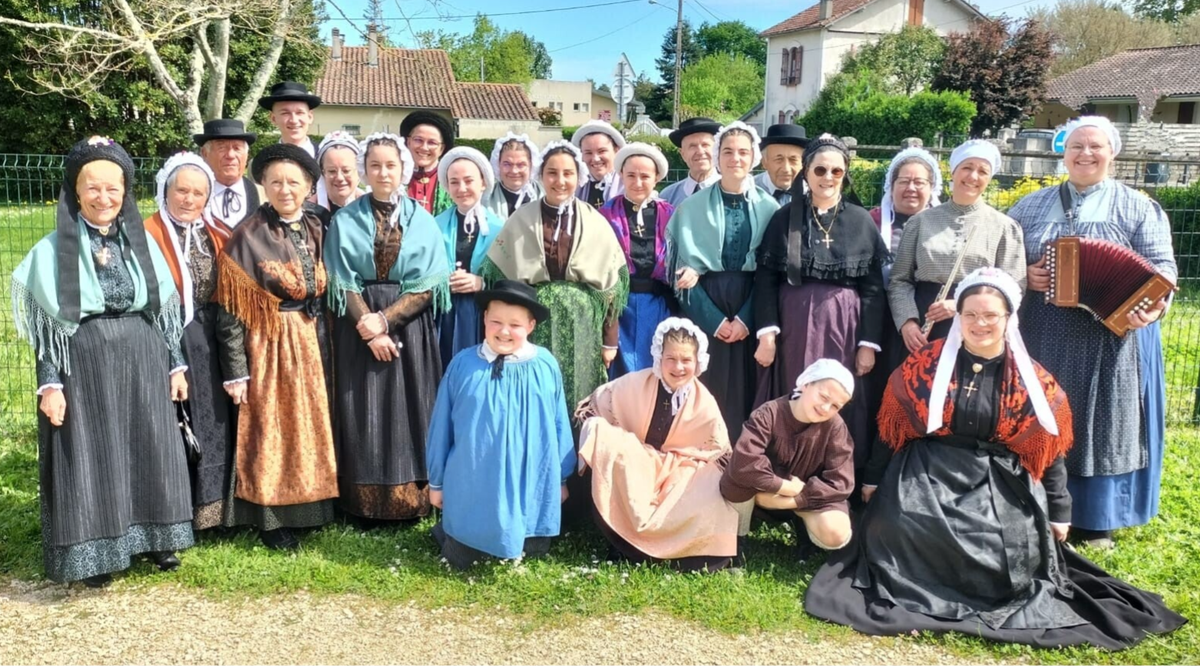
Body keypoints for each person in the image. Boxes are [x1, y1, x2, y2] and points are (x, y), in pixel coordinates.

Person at [806, 267, 1187, 651]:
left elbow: (1047, 449)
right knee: (898, 524)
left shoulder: (1033, 380)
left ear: (1009, 319)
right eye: (970, 314)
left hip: (997, 479)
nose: (979, 323)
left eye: (991, 315)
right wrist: (872, 480)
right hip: (926, 472)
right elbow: (893, 430)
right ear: (959, 317)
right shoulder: (924, 364)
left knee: (1006, 544)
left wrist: (1059, 511)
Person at [11, 136, 193, 586]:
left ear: (126, 192)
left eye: (114, 188)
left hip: (143, 358)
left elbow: (164, 312)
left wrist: (176, 366)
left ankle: (156, 540)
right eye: (93, 187)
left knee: (150, 446)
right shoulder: (52, 250)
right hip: (85, 365)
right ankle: (95, 554)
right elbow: (48, 333)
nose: (104, 197)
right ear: (76, 191)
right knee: (92, 453)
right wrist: (50, 387)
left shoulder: (143, 245)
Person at [1009, 116, 1178, 549]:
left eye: (1095, 147)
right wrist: (1023, 275)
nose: (1085, 154)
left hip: (1112, 336)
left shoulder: (1139, 207)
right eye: (1076, 147)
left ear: (1112, 153)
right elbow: (1002, 257)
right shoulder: (1028, 207)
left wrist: (1151, 308)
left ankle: (1098, 518)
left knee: (1103, 419)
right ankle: (1039, 503)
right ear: (1062, 154)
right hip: (1043, 331)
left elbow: (1163, 269)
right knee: (1045, 413)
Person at [214, 143, 337, 550]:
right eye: (275, 182)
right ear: (263, 185)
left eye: (294, 182)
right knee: (272, 427)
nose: (285, 190)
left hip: (311, 338)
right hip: (270, 341)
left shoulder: (320, 226)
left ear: (308, 186)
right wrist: (236, 370)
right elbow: (229, 311)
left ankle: (310, 508)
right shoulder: (248, 236)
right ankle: (270, 518)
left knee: (309, 424)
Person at [324, 132, 450, 522]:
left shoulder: (423, 220)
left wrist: (386, 321)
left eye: (390, 165)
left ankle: (411, 500)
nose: (382, 172)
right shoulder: (345, 219)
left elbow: (430, 282)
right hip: (357, 328)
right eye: (375, 165)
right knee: (362, 408)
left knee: (410, 409)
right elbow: (339, 279)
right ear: (365, 169)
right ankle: (360, 503)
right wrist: (370, 328)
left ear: (403, 169)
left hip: (408, 330)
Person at [752, 134, 887, 461]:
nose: (828, 178)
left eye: (836, 172)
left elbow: (872, 287)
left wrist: (868, 343)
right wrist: (767, 334)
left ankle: (834, 473)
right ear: (807, 173)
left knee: (837, 395)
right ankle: (787, 468)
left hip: (845, 326)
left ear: (845, 174)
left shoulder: (860, 220)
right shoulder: (785, 219)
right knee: (797, 389)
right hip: (795, 323)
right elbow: (766, 279)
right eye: (820, 170)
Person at [426, 280, 575, 569]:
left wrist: (561, 478)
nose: (504, 331)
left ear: (531, 326)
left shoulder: (545, 366)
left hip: (530, 484)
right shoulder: (463, 365)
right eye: (496, 321)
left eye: (515, 325)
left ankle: (522, 538)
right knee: (464, 556)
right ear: (484, 319)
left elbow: (559, 424)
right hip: (474, 485)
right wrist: (437, 483)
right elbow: (441, 428)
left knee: (530, 549)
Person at [576, 318, 739, 570]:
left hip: (677, 470)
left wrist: (688, 467)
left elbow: (718, 451)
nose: (678, 367)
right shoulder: (635, 382)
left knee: (708, 479)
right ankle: (622, 542)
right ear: (659, 357)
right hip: (637, 461)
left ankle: (689, 550)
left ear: (698, 362)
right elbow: (593, 409)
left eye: (686, 360)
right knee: (608, 440)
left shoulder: (703, 400)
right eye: (671, 359)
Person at [480, 140, 629, 411]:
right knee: (534, 394)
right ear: (541, 175)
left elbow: (612, 290)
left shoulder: (596, 222)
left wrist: (610, 341)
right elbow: (497, 277)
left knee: (579, 394)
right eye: (552, 173)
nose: (560, 181)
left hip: (583, 325)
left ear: (578, 176)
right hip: (535, 322)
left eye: (567, 173)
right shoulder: (521, 220)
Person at [144, 152, 242, 531]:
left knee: (213, 422)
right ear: (165, 192)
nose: (189, 199)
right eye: (181, 191)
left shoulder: (217, 235)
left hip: (209, 339)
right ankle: (175, 512)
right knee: (173, 422)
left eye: (198, 193)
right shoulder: (146, 234)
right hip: (162, 337)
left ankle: (214, 512)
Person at [668, 121, 780, 438]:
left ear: (754, 157)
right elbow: (681, 275)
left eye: (743, 152)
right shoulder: (691, 208)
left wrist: (746, 319)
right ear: (717, 157)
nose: (735, 159)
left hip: (752, 301)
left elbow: (770, 273)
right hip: (705, 306)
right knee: (705, 387)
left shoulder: (770, 208)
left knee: (747, 391)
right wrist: (715, 321)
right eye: (727, 151)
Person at [888, 139, 1026, 350]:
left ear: (990, 178)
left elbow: (1013, 286)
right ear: (953, 172)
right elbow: (900, 280)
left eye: (982, 171)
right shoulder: (920, 222)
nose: (973, 176)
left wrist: (960, 305)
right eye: (967, 168)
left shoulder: (1004, 227)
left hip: (977, 325)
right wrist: (907, 322)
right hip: (922, 326)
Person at [722, 359, 856, 560]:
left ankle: (804, 529)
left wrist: (796, 499)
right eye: (823, 396)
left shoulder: (835, 428)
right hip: (763, 490)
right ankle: (737, 539)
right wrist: (784, 487)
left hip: (806, 495)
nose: (826, 407)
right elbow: (744, 462)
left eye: (835, 405)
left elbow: (841, 482)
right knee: (736, 479)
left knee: (836, 532)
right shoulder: (770, 413)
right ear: (806, 384)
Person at [598, 142, 676, 376]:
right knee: (620, 372)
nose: (638, 182)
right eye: (631, 175)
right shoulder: (606, 214)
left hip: (658, 304)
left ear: (656, 178)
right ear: (621, 175)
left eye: (645, 176)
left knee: (654, 365)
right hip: (619, 306)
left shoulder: (670, 214)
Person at [868, 147, 943, 372]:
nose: (911, 188)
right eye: (903, 181)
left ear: (932, 188)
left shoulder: (946, 227)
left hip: (930, 324)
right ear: (891, 187)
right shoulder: (870, 223)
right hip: (879, 323)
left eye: (919, 182)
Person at [434, 146, 506, 368]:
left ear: (483, 183)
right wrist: (442, 281)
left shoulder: (500, 228)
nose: (462, 188)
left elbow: (510, 277)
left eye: (468, 180)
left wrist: (481, 282)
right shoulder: (435, 225)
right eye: (454, 182)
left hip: (482, 314)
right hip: (444, 314)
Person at [195, 118, 263, 238]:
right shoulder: (192, 198)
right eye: (222, 148)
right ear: (204, 153)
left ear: (247, 155)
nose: (230, 155)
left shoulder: (265, 197)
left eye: (237, 148)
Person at [401, 111, 455, 215]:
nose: (424, 147)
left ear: (442, 148)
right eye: (418, 140)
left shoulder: (451, 179)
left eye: (432, 142)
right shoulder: (396, 177)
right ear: (408, 142)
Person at [659, 117, 721, 207]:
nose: (700, 151)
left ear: (716, 150)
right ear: (682, 154)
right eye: (692, 146)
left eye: (705, 145)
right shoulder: (668, 197)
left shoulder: (732, 192)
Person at [483, 132, 542, 219]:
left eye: (521, 165)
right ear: (498, 164)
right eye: (507, 164)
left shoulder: (543, 196)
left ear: (531, 165)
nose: (514, 171)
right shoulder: (485, 200)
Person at [258, 81, 321, 157]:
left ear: (310, 117)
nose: (294, 120)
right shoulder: (263, 160)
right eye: (285, 113)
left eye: (299, 112)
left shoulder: (325, 157)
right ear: (273, 118)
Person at [572, 119, 626, 208]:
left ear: (616, 150)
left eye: (602, 151)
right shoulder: (576, 188)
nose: (595, 159)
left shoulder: (628, 186)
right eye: (588, 153)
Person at [753, 124, 808, 205]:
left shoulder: (814, 192)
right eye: (778, 159)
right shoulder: (749, 190)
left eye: (793, 160)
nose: (786, 169)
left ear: (803, 164)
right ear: (764, 162)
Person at [315, 130, 365, 215]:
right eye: (332, 171)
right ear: (323, 173)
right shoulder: (310, 212)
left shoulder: (369, 208)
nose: (339, 177)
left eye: (346, 171)